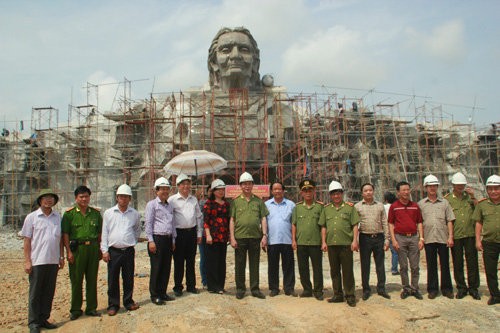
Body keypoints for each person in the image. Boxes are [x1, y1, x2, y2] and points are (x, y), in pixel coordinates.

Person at [21, 189, 64, 333]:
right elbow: (27, 240)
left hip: (52, 261)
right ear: (40, 201)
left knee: (48, 291)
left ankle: (43, 318)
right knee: (35, 293)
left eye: (51, 198)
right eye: (45, 198)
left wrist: (61, 257)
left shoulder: (57, 217)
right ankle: (33, 322)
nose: (48, 200)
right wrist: (27, 261)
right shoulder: (32, 217)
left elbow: (59, 240)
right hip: (37, 261)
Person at [62, 185, 103, 320]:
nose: (84, 199)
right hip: (77, 250)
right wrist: (68, 252)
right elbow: (65, 234)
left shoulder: (96, 214)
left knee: (92, 279)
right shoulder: (69, 214)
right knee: (76, 279)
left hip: (92, 248)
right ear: (76, 198)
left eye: (86, 196)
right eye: (81, 197)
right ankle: (75, 309)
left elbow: (99, 233)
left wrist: (100, 249)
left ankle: (91, 308)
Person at [100, 184, 141, 316]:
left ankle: (128, 301)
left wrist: (132, 241)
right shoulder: (108, 213)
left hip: (128, 250)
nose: (123, 199)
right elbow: (105, 233)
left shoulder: (134, 214)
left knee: (128, 277)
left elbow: (137, 230)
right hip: (114, 251)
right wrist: (104, 250)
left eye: (126, 197)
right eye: (121, 196)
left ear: (130, 199)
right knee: (112, 278)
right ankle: (113, 304)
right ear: (117, 197)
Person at [320, 181, 360, 307]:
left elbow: (355, 225)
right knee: (334, 271)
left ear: (342, 194)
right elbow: (324, 227)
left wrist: (355, 241)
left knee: (347, 271)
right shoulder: (326, 209)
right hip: (332, 244)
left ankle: (350, 295)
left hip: (346, 244)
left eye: (338, 194)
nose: (336, 196)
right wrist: (324, 242)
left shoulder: (349, 208)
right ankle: (337, 294)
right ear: (330, 196)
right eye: (333, 194)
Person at [230, 172, 269, 299]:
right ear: (240, 186)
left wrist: (264, 235)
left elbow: (263, 218)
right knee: (240, 265)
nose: (247, 186)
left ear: (253, 185)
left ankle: (255, 289)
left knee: (254, 264)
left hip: (254, 237)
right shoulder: (235, 202)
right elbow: (232, 220)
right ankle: (240, 289)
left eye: (249, 184)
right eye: (244, 184)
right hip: (240, 237)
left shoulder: (258, 201)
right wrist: (232, 237)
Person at [418, 175, 455, 299]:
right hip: (428, 239)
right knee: (431, 264)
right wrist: (421, 238)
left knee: (445, 264)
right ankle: (432, 289)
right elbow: (419, 223)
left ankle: (447, 289)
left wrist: (450, 237)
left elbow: (449, 220)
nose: (432, 188)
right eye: (430, 186)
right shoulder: (421, 204)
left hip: (442, 238)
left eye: (434, 186)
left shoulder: (445, 203)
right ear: (426, 188)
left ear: (437, 187)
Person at [445, 172, 480, 300]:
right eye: (458, 185)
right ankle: (461, 288)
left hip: (470, 234)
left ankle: (473, 288)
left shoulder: (469, 198)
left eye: (462, 185)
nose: (460, 187)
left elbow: (479, 209)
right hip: (456, 235)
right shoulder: (447, 199)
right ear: (453, 185)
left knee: (472, 262)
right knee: (457, 262)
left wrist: (473, 197)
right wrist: (449, 236)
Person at [388, 181, 424, 300]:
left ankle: (415, 288)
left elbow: (419, 222)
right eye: (403, 190)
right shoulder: (394, 207)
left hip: (413, 237)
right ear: (398, 192)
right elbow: (391, 224)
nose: (406, 192)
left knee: (415, 266)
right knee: (403, 266)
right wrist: (393, 240)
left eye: (408, 189)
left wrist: (421, 238)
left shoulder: (415, 205)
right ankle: (406, 288)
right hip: (400, 237)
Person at [168, 173, 203, 296]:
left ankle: (191, 286)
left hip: (191, 233)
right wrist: (172, 237)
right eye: (183, 184)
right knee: (178, 261)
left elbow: (199, 217)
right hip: (179, 234)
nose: (186, 186)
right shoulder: (172, 200)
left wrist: (199, 233)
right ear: (178, 186)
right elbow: (169, 219)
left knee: (190, 260)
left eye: (188, 184)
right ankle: (178, 287)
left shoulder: (193, 200)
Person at [355, 183, 391, 301]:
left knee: (380, 265)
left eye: (370, 190)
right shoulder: (358, 206)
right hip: (364, 238)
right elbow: (355, 225)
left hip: (378, 237)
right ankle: (366, 289)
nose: (368, 192)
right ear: (362, 193)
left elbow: (385, 222)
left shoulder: (380, 206)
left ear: (373, 191)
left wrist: (387, 239)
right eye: (366, 191)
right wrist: (355, 240)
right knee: (365, 265)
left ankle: (381, 288)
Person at [145, 177, 176, 305]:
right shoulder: (151, 205)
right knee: (156, 267)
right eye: (162, 189)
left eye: (167, 189)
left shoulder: (169, 206)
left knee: (166, 267)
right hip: (157, 239)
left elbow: (172, 223)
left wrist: (173, 239)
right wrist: (151, 241)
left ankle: (163, 292)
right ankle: (155, 294)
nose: (165, 191)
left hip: (168, 239)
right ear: (156, 191)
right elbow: (148, 224)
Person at [291, 179, 324, 300]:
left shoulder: (320, 207)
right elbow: (294, 224)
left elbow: (323, 226)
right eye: (305, 190)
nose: (308, 192)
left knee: (317, 268)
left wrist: (323, 241)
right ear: (301, 193)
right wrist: (293, 240)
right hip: (301, 242)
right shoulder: (297, 208)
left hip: (316, 242)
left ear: (314, 191)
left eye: (310, 190)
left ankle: (318, 291)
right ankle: (307, 289)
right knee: (303, 268)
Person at [265, 181, 296, 297]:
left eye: (279, 189)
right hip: (272, 240)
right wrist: (264, 238)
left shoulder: (291, 205)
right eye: (275, 189)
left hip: (287, 240)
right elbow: (264, 223)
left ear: (283, 191)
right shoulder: (267, 205)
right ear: (271, 191)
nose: (277, 191)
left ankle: (289, 288)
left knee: (288, 265)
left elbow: (294, 223)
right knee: (272, 266)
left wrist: (294, 239)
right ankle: (274, 288)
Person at [473, 174, 500, 305]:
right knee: (490, 270)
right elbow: (478, 222)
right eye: (491, 188)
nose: (493, 191)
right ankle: (495, 295)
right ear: (487, 189)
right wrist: (478, 240)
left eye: (496, 188)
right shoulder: (482, 205)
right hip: (489, 242)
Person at [203, 179, 230, 294]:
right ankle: (212, 286)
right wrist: (208, 235)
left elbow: (229, 220)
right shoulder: (209, 204)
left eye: (222, 189)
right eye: (218, 190)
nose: (221, 192)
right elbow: (206, 221)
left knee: (221, 261)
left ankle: (220, 285)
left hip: (223, 236)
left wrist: (229, 235)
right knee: (212, 261)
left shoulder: (227, 204)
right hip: (212, 236)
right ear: (213, 191)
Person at [384, 191, 399, 275]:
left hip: (383, 230)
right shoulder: (395, 207)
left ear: (386, 200)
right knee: (395, 251)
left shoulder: (383, 207)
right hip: (393, 230)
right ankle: (394, 269)